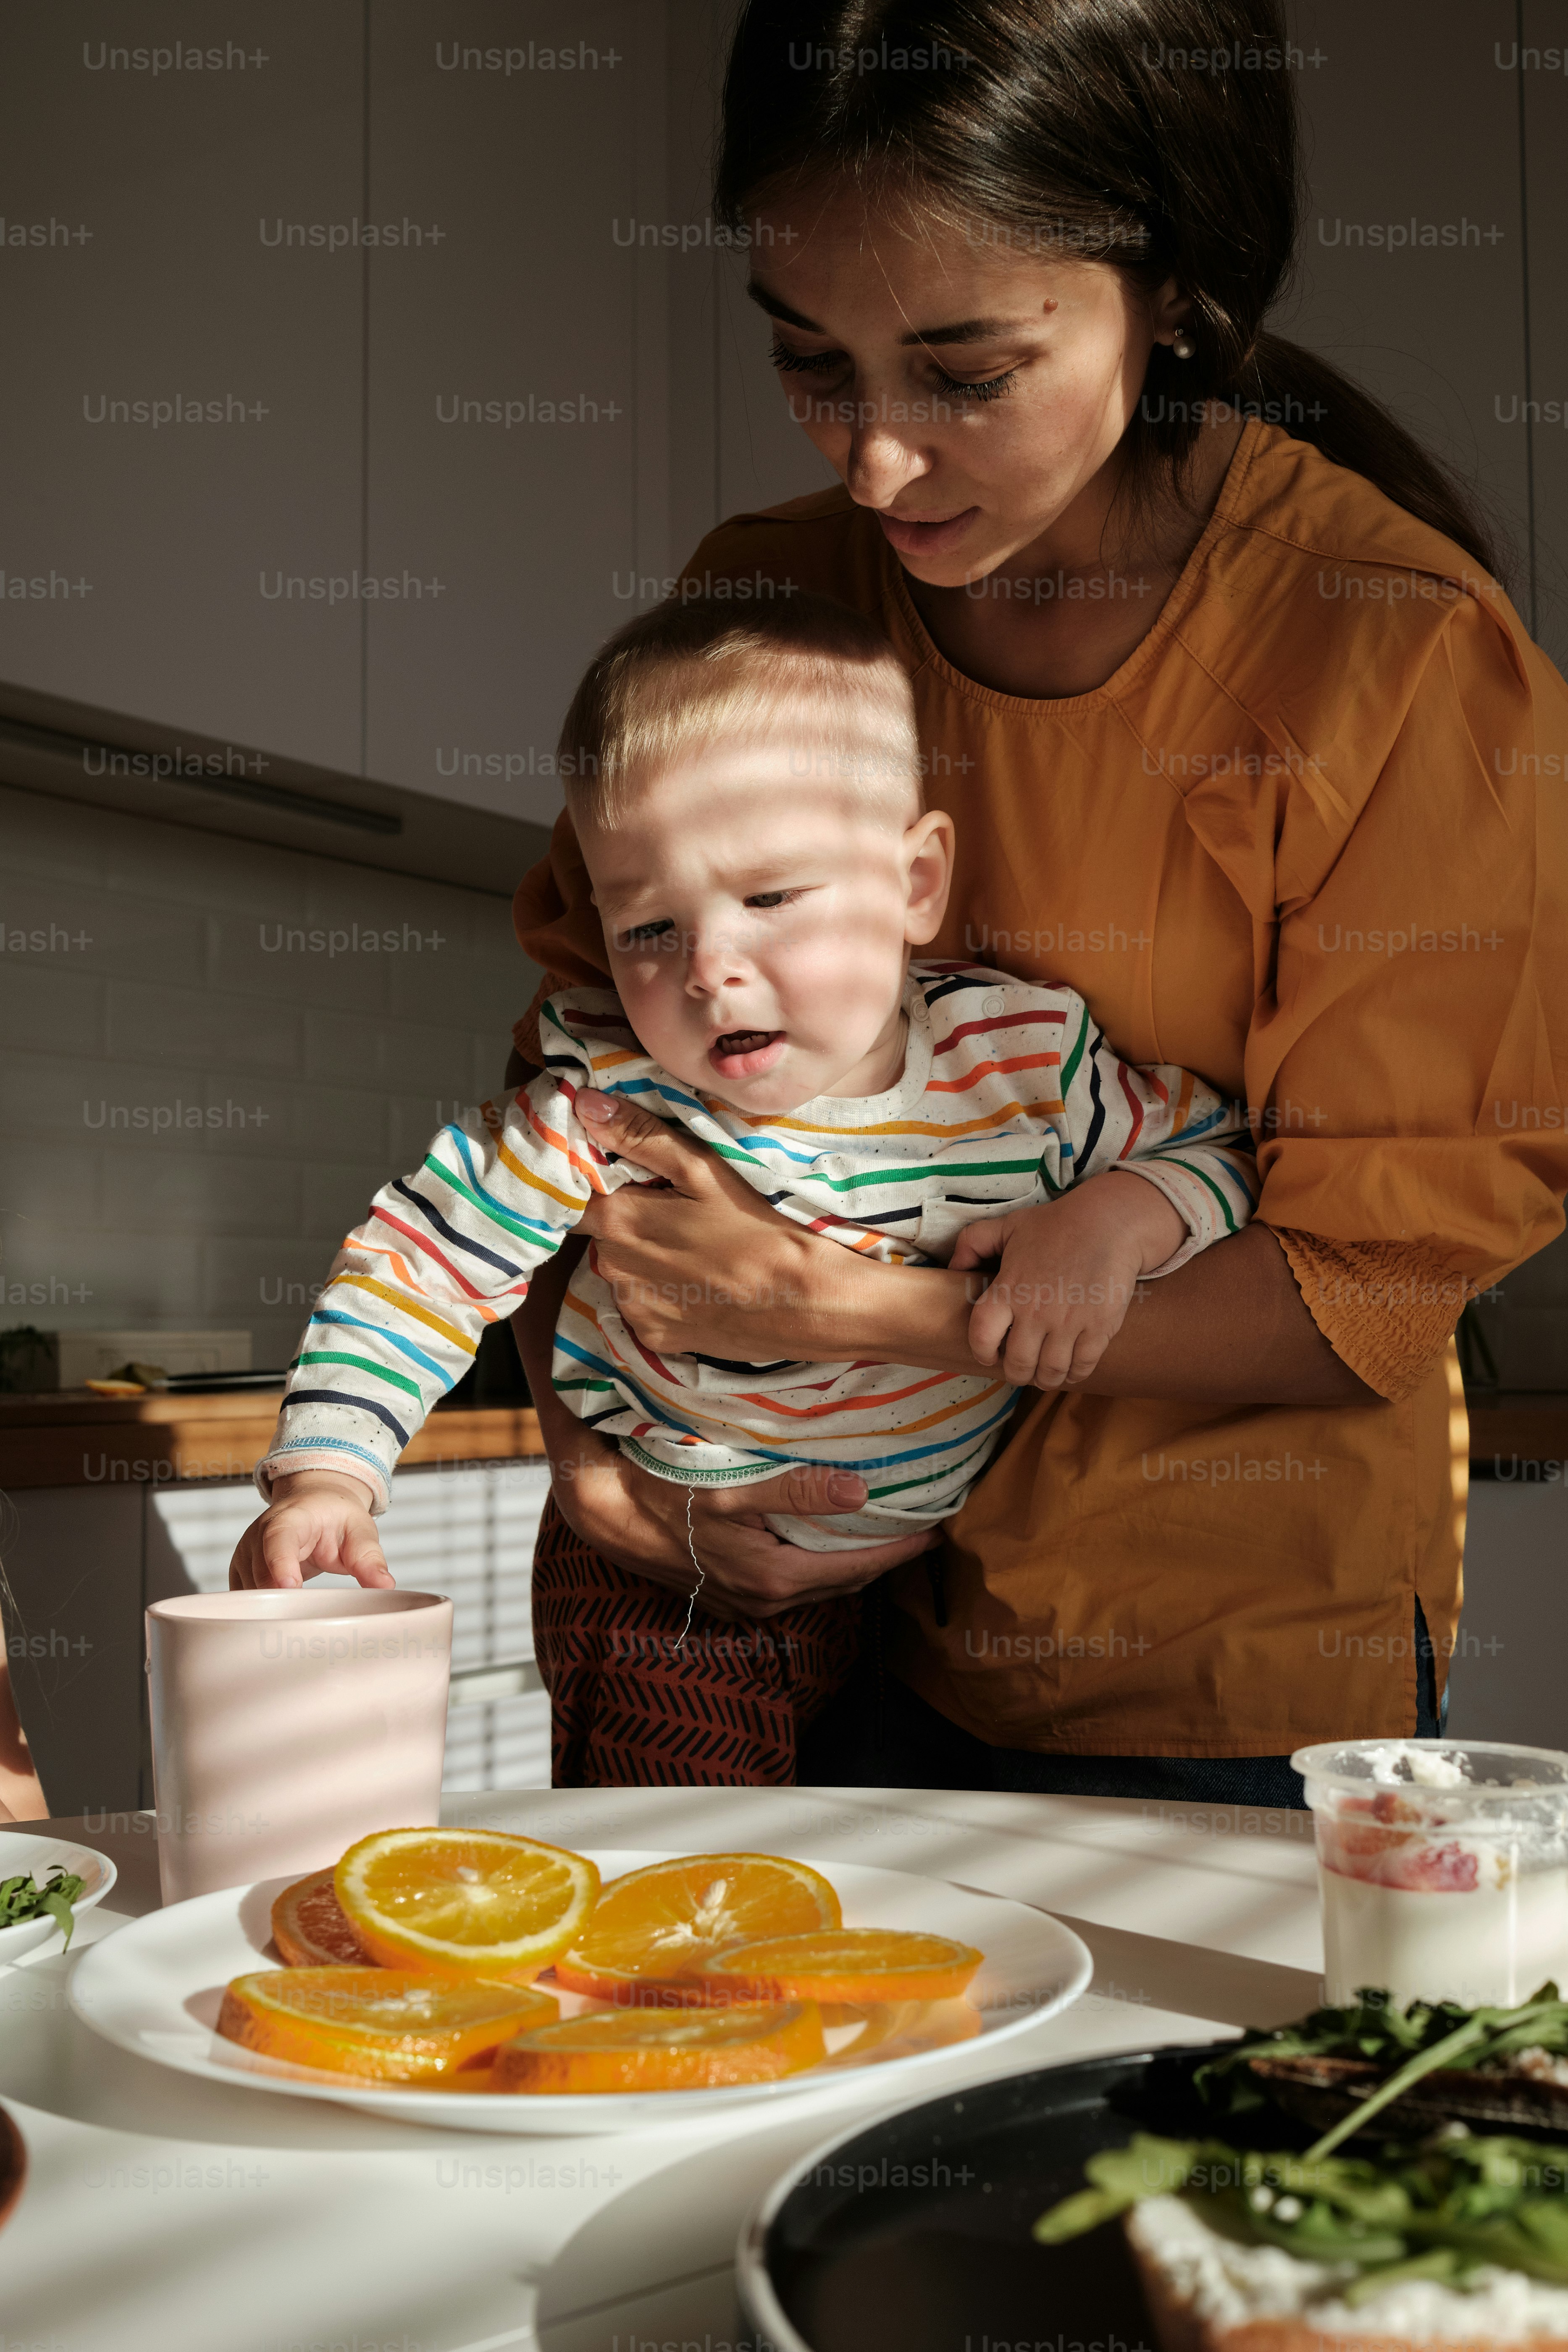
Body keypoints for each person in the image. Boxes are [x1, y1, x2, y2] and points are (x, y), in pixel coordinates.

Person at [506, 0, 1568, 1803]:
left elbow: (1363, 1283)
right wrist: (596, 1448)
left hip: (1212, 1658)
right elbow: (582, 1073)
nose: (875, 460)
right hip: (806, 1629)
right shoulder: (766, 593)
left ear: (1168, 288)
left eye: (964, 373)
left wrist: (848, 1310)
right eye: (810, 360)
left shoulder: (1388, 650)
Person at [231, 593, 1257, 1784]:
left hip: (911, 1608)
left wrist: (1119, 1216)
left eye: (771, 900)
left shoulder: (1027, 1062)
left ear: (917, 881)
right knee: (678, 1910)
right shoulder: (605, 1097)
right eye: (650, 927)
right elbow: (423, 1257)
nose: (711, 969)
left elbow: (1226, 1151)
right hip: (664, 1590)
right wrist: (328, 1475)